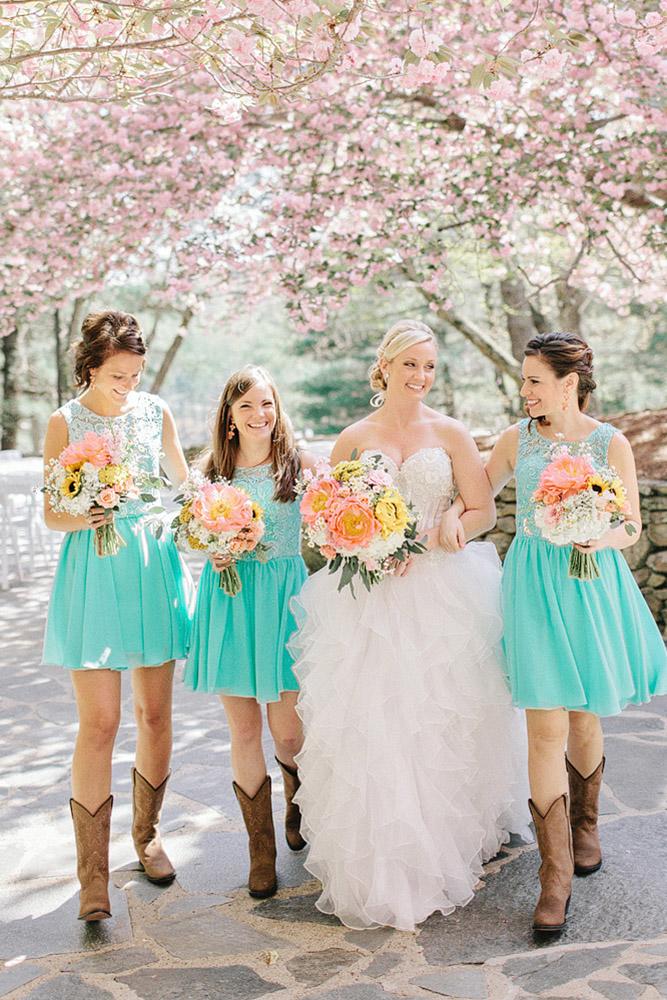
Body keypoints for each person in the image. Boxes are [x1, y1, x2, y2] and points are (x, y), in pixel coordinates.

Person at [290, 319, 531, 932]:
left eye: (430, 367)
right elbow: (321, 519)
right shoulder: (353, 438)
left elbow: (484, 509)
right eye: (411, 365)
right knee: (372, 721)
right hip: (367, 601)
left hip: (441, 592)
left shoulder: (448, 432)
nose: (421, 377)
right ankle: (377, 855)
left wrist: (453, 520)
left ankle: (445, 840)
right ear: (386, 367)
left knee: (439, 717)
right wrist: (358, 545)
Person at [441, 331, 667, 933]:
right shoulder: (517, 440)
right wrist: (446, 518)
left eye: (535, 380)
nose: (526, 391)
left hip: (591, 582)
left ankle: (586, 822)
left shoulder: (609, 442)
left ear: (569, 384)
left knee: (585, 717)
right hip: (534, 588)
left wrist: (598, 535)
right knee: (544, 726)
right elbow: (477, 499)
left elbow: (630, 527)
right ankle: (554, 874)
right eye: (524, 381)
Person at [42, 310, 193, 921]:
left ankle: (147, 836)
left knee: (154, 714)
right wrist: (91, 511)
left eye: (134, 374)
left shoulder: (156, 414)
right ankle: (93, 877)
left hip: (152, 567)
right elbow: (54, 513)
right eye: (116, 376)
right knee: (99, 723)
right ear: (90, 368)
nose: (128, 385)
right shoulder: (64, 422)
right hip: (93, 572)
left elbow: (182, 485)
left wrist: (213, 516)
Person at [183, 365, 317, 899]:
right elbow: (192, 533)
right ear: (230, 419)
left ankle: (297, 800)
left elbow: (328, 524)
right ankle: (259, 851)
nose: (260, 415)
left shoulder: (299, 465)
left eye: (267, 404)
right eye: (246, 407)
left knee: (287, 731)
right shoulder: (212, 473)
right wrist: (211, 549)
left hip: (285, 600)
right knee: (243, 732)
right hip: (232, 598)